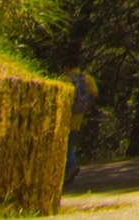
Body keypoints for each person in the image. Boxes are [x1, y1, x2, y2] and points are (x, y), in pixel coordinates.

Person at [59, 50, 96, 187]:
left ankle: (71, 166)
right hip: (78, 116)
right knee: (70, 142)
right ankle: (70, 168)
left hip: (65, 116)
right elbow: (95, 93)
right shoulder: (87, 78)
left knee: (66, 144)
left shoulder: (64, 79)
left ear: (67, 67)